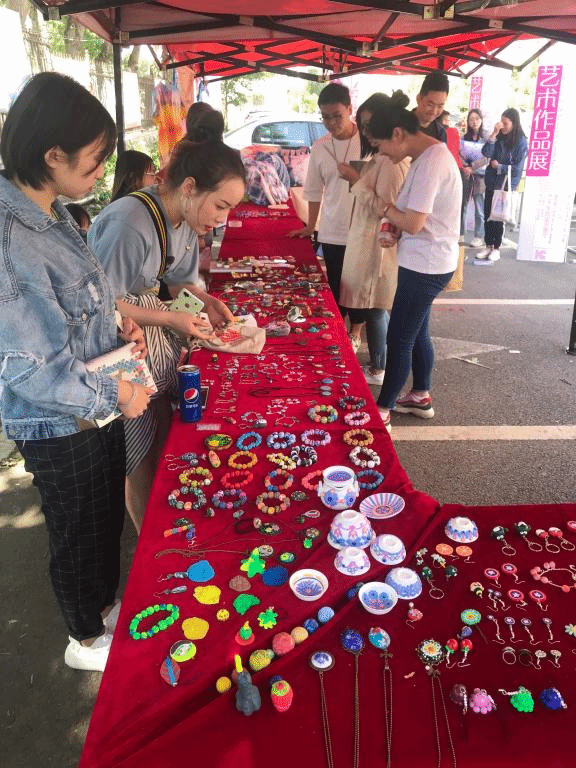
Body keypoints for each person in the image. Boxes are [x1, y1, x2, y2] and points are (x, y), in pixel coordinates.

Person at [0, 72, 152, 671]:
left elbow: (82, 299)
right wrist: (116, 392)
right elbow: (31, 369)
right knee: (78, 528)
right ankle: (84, 638)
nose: (100, 174)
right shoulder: (10, 239)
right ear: (52, 155)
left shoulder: (55, 211)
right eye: (94, 162)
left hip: (94, 404)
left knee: (101, 517)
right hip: (61, 419)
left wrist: (118, 322)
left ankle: (101, 609)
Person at [89, 139, 246, 531]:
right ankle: (148, 539)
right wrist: (168, 319)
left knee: (159, 427)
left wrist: (206, 300)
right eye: (220, 206)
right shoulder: (130, 223)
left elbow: (174, 284)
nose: (221, 219)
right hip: (119, 342)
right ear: (190, 187)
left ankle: (158, 521)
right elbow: (99, 305)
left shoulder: (185, 220)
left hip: (149, 337)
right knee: (138, 449)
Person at [365, 91, 461, 432]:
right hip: (426, 260)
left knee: (400, 337)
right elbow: (416, 217)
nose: (381, 153)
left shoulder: (432, 161)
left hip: (427, 265)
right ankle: (420, 395)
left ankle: (384, 408)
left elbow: (415, 222)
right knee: (417, 331)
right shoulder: (426, 157)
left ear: (397, 134)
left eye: (379, 145)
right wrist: (395, 225)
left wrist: (386, 210)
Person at [337, 94, 409, 385]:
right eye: (363, 125)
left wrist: (356, 181)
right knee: (372, 305)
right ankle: (380, 364)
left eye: (370, 126)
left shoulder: (392, 162)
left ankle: (380, 367)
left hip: (379, 243)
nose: (365, 132)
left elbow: (387, 208)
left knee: (376, 306)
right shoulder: (381, 158)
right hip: (368, 237)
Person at [288, 83, 361, 342]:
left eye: (336, 116)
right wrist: (311, 226)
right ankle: (339, 335)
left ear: (350, 109)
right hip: (331, 230)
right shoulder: (320, 146)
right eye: (325, 117)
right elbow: (314, 190)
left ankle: (356, 333)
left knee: (358, 289)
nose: (331, 123)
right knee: (337, 286)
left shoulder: (366, 142)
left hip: (361, 229)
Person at [477, 108, 528, 262]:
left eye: (506, 123)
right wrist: (493, 134)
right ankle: (488, 245)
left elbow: (518, 168)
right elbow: (486, 152)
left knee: (499, 217)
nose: (503, 126)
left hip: (505, 184)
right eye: (502, 122)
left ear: (514, 123)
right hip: (491, 181)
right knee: (488, 215)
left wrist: (499, 166)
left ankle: (496, 248)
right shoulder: (498, 136)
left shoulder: (520, 141)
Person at [459, 109, 488, 248]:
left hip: (480, 176)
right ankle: (460, 234)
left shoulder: (487, 137)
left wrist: (473, 166)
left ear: (481, 120)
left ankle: (478, 236)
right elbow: (459, 154)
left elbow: (487, 157)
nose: (474, 121)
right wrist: (465, 166)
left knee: (479, 208)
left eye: (477, 118)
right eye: (471, 119)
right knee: (462, 205)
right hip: (466, 174)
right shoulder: (464, 138)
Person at [413, 71, 449, 143]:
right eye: (430, 105)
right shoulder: (400, 126)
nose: (434, 112)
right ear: (418, 99)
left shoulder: (440, 133)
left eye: (440, 106)